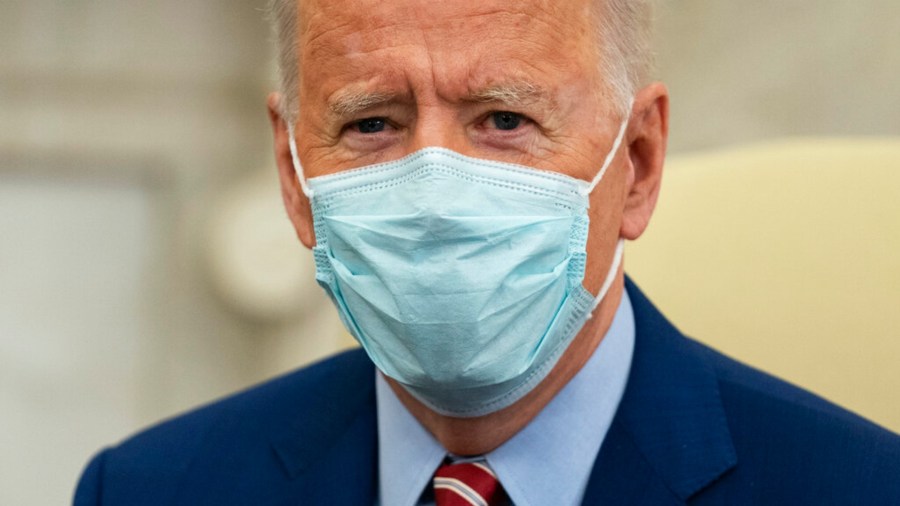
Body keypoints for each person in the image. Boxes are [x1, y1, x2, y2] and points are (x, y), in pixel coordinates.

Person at [74, 0, 900, 504]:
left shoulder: (859, 491)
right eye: (372, 124)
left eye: (504, 120)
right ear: (293, 177)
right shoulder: (152, 491)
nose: (436, 192)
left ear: (639, 163)